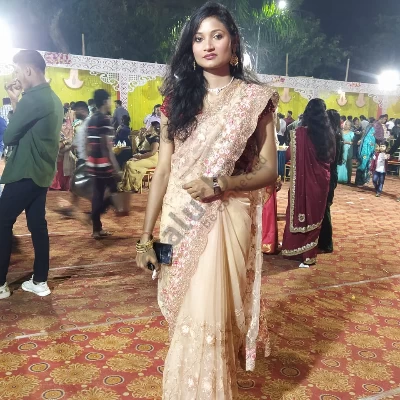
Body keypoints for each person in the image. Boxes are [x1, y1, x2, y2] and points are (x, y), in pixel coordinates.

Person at [135, 3, 279, 397]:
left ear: (233, 43)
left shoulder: (255, 99)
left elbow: (270, 170)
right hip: (177, 218)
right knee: (183, 307)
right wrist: (145, 236)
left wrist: (222, 182)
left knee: (211, 311)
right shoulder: (176, 99)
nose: (208, 45)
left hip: (223, 215)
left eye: (217, 35)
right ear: (191, 47)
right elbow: (163, 170)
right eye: (199, 38)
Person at [0, 50, 63, 299]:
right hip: (41, 172)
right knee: (37, 225)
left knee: (2, 221)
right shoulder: (52, 98)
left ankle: (0, 284)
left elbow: (10, 135)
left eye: (17, 71)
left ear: (27, 70)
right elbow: (28, 128)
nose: (16, 76)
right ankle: (40, 280)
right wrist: (15, 98)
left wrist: (17, 100)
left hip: (24, 171)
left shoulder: (33, 98)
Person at [282, 99, 334, 268]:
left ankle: (296, 249)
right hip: (321, 181)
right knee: (315, 215)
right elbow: (331, 158)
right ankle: (308, 256)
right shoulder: (328, 134)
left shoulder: (300, 134)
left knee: (300, 212)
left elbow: (288, 155)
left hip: (302, 182)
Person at [86, 90, 121, 239]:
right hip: (103, 162)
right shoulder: (105, 119)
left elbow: (88, 142)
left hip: (93, 161)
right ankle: (93, 216)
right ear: (105, 101)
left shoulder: (92, 119)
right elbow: (106, 146)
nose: (110, 103)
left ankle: (97, 229)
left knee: (98, 194)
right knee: (113, 191)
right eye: (110, 100)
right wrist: (115, 167)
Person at [318, 109, 343, 253]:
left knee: (325, 208)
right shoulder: (336, 135)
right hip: (331, 174)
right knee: (324, 207)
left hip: (328, 175)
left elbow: (332, 160)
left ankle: (327, 243)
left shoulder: (333, 137)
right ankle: (323, 241)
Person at [118, 121, 160, 192]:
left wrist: (140, 157)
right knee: (128, 162)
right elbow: (138, 148)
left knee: (131, 164)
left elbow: (153, 152)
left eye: (149, 125)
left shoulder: (156, 138)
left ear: (153, 127)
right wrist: (141, 136)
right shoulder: (148, 136)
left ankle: (134, 186)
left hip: (151, 159)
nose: (147, 127)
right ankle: (127, 185)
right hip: (145, 157)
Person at [49, 119, 76, 191]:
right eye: (63, 125)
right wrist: (66, 143)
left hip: (63, 160)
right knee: (58, 175)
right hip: (59, 159)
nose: (65, 127)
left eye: (65, 125)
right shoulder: (57, 134)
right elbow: (59, 147)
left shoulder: (62, 135)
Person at [355, 120, 376, 187]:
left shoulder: (370, 137)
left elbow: (372, 146)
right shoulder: (366, 137)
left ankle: (363, 181)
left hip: (368, 155)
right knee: (362, 167)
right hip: (365, 155)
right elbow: (364, 146)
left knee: (366, 167)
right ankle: (359, 181)